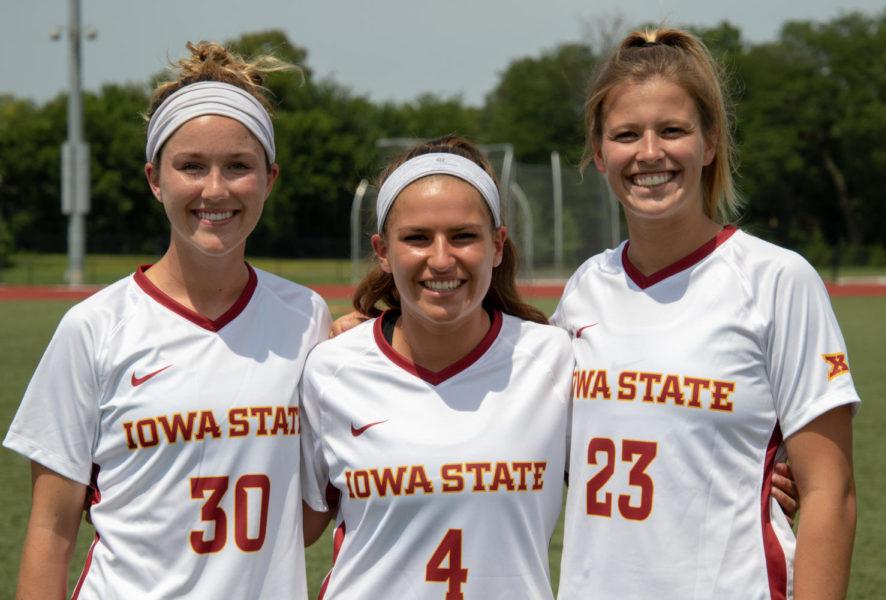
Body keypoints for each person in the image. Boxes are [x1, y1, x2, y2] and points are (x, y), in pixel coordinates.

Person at [4, 42, 330, 598]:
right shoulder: (94, 328)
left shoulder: (307, 318)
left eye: (238, 167)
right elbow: (51, 531)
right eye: (191, 167)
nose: (215, 190)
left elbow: (312, 506)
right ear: (156, 179)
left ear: (270, 179)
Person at [554, 27, 859, 599]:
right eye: (626, 135)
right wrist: (375, 333)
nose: (650, 153)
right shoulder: (583, 290)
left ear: (709, 142)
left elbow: (830, 493)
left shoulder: (776, 280)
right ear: (599, 153)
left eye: (673, 130)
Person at [300, 136, 573, 598]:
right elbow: (297, 530)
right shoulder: (332, 369)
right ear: (383, 251)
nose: (441, 259)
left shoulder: (553, 360)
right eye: (417, 238)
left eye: (464, 236)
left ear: (498, 245)